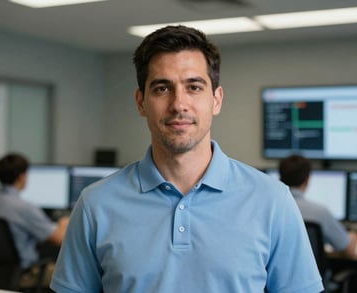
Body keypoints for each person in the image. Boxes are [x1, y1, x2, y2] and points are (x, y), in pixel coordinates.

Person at [50, 25, 323, 293]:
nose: (179, 104)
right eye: (161, 88)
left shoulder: (272, 200)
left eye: (194, 87)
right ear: (141, 102)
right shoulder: (95, 204)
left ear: (216, 99)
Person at [0, 153, 69, 286]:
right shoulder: (24, 208)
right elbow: (59, 239)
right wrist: (63, 224)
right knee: (69, 277)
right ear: (22, 177)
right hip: (23, 274)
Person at [279, 154, 357, 259]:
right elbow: (349, 251)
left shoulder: (270, 209)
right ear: (307, 179)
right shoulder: (319, 212)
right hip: (312, 275)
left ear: (280, 177)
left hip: (274, 273)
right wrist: (352, 235)